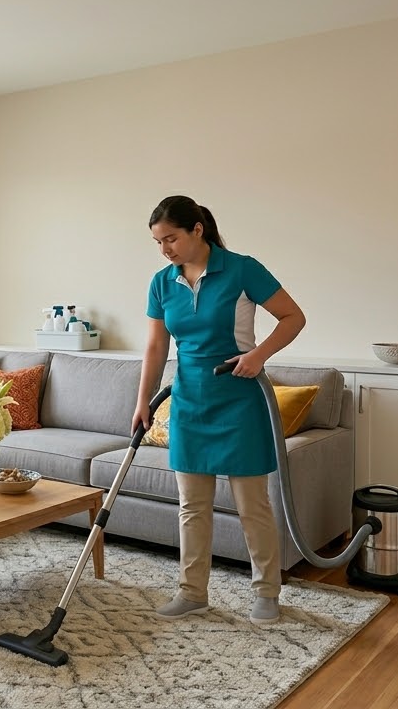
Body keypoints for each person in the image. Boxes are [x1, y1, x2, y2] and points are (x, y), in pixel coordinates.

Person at [132, 195, 306, 626]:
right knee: (192, 506)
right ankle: (192, 592)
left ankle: (266, 592)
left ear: (197, 229)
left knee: (252, 506)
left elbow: (293, 317)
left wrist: (258, 356)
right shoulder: (162, 282)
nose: (164, 249)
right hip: (189, 401)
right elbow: (156, 346)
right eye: (158, 242)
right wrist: (142, 401)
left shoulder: (242, 269)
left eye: (171, 238)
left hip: (239, 401)